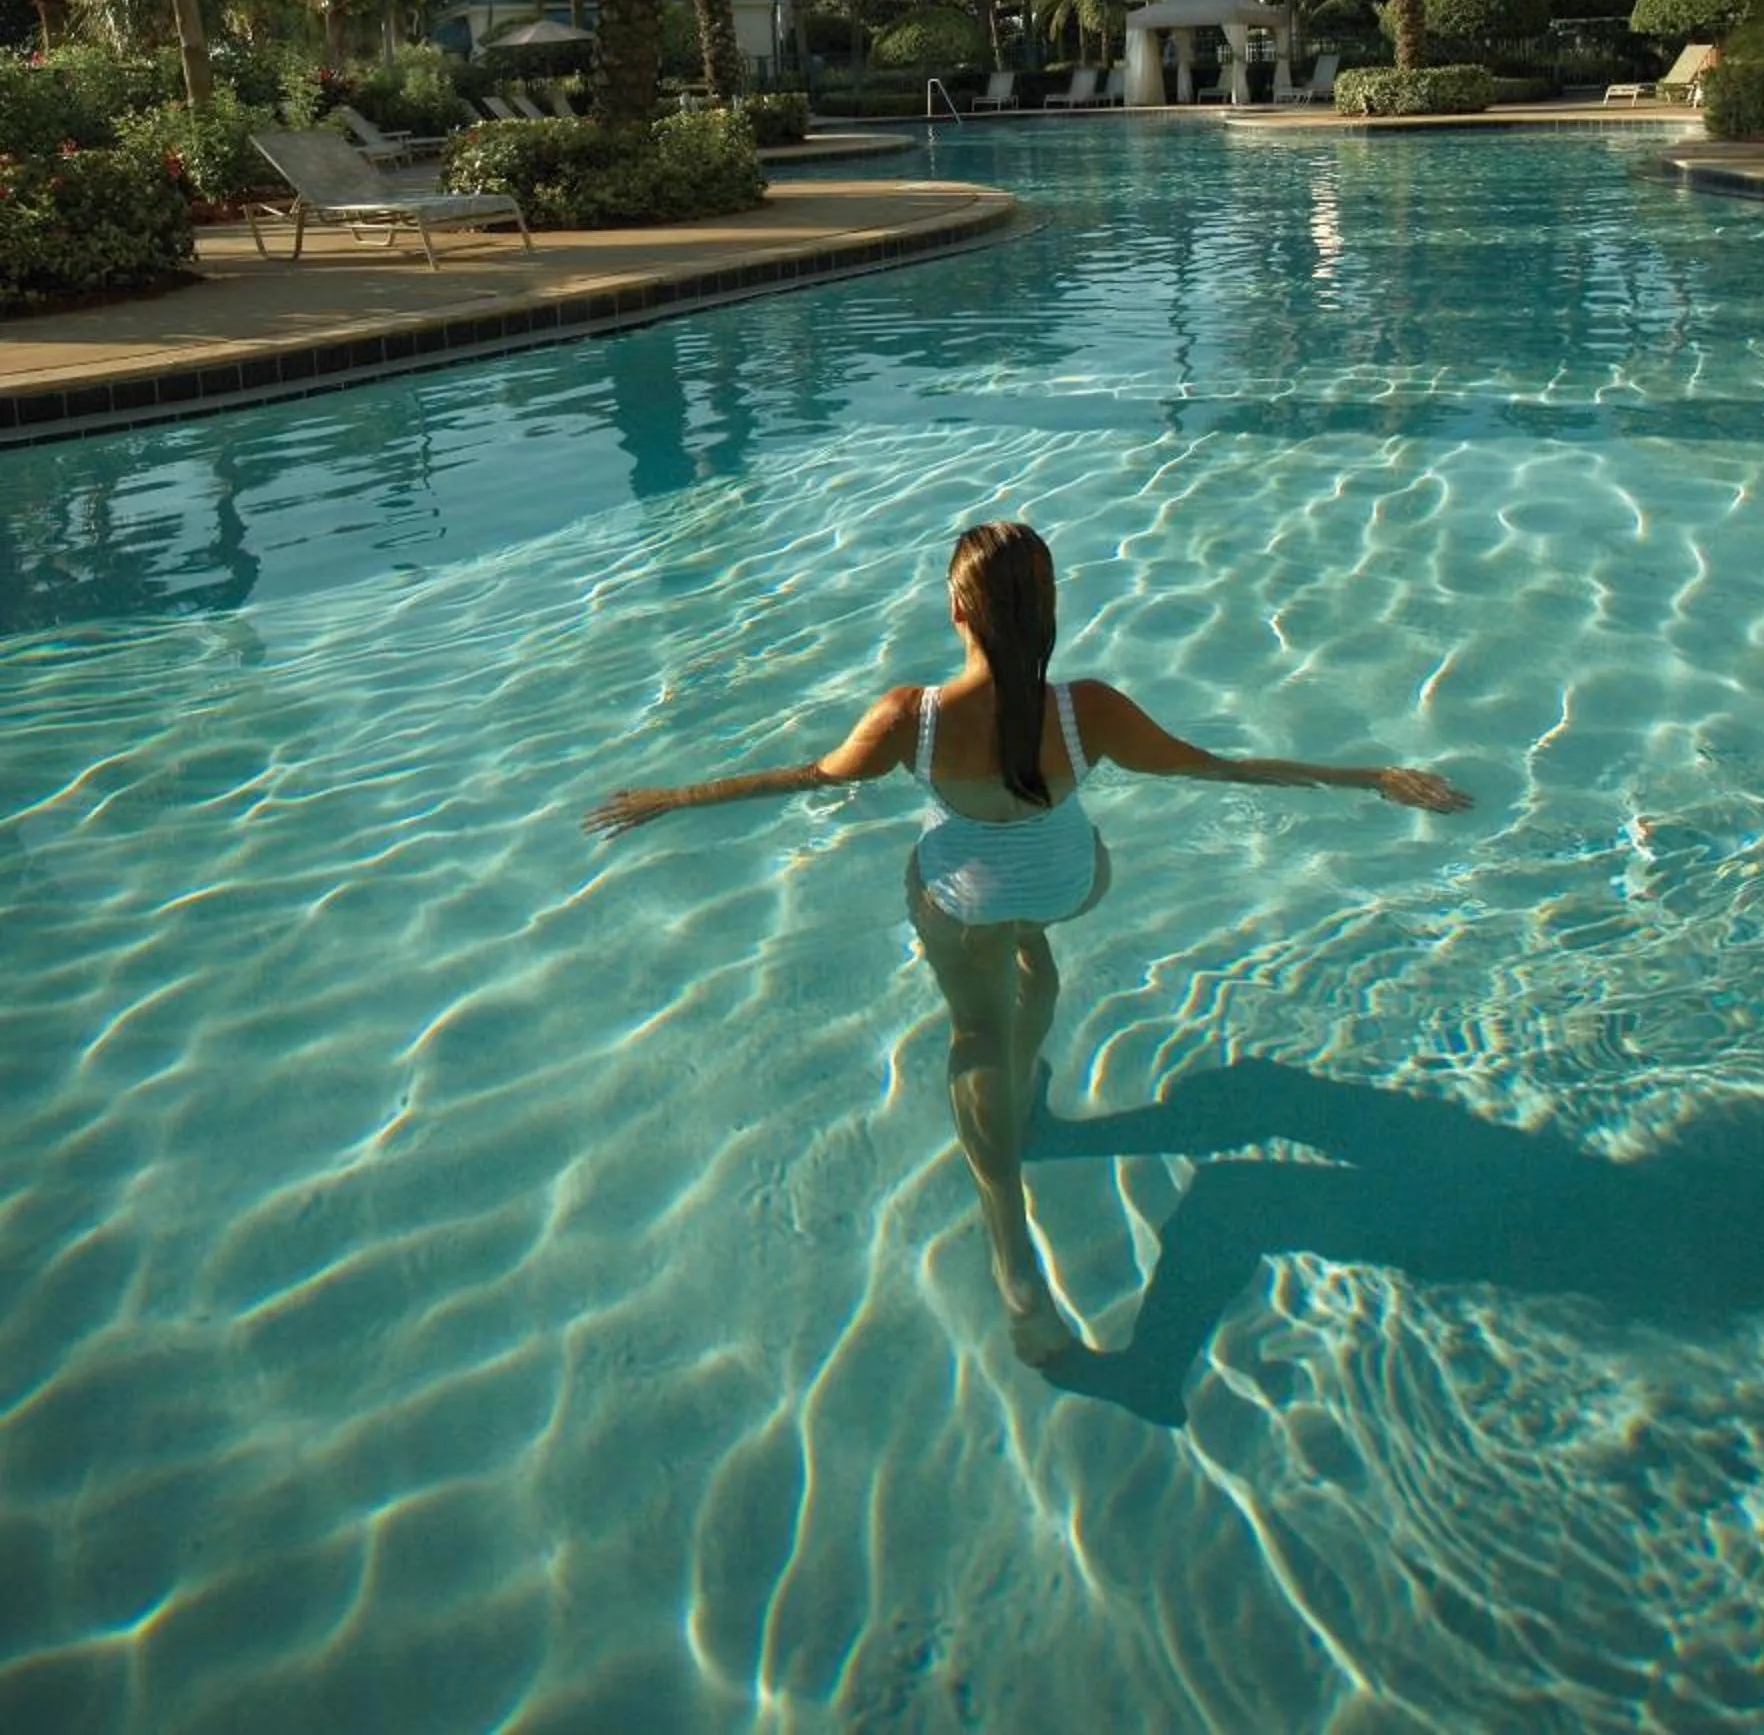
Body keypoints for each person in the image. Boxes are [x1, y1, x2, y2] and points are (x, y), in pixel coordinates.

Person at [586, 521, 1472, 1364]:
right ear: (1048, 613)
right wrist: (1370, 777)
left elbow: (813, 778)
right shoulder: (1091, 711)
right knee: (1029, 951)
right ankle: (1029, 1068)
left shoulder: (911, 718)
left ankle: (1013, 1257)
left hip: (963, 897)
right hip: (1066, 882)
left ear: (957, 611)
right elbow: (1217, 765)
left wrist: (675, 796)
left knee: (974, 1029)